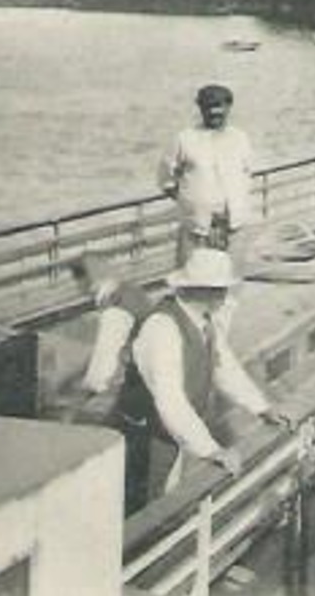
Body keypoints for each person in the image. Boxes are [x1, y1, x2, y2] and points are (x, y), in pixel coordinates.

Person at [120, 249, 294, 508]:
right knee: (147, 508)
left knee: (166, 495)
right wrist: (211, 449)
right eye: (221, 290)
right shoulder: (162, 328)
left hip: (171, 433)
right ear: (205, 291)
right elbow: (170, 400)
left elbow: (225, 369)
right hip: (147, 439)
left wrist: (262, 408)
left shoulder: (204, 323)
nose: (225, 297)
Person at [62, 253, 156, 514]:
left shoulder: (115, 309)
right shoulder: (132, 291)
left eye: (79, 285)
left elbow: (100, 373)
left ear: (87, 283)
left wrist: (72, 404)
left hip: (142, 395)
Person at [157, 83, 256, 268]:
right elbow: (166, 180)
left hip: (234, 225)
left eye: (220, 108)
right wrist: (192, 202)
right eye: (209, 108)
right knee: (192, 278)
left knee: (230, 277)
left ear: (229, 108)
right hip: (197, 227)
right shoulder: (184, 139)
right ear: (200, 108)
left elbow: (248, 173)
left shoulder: (240, 138)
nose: (214, 114)